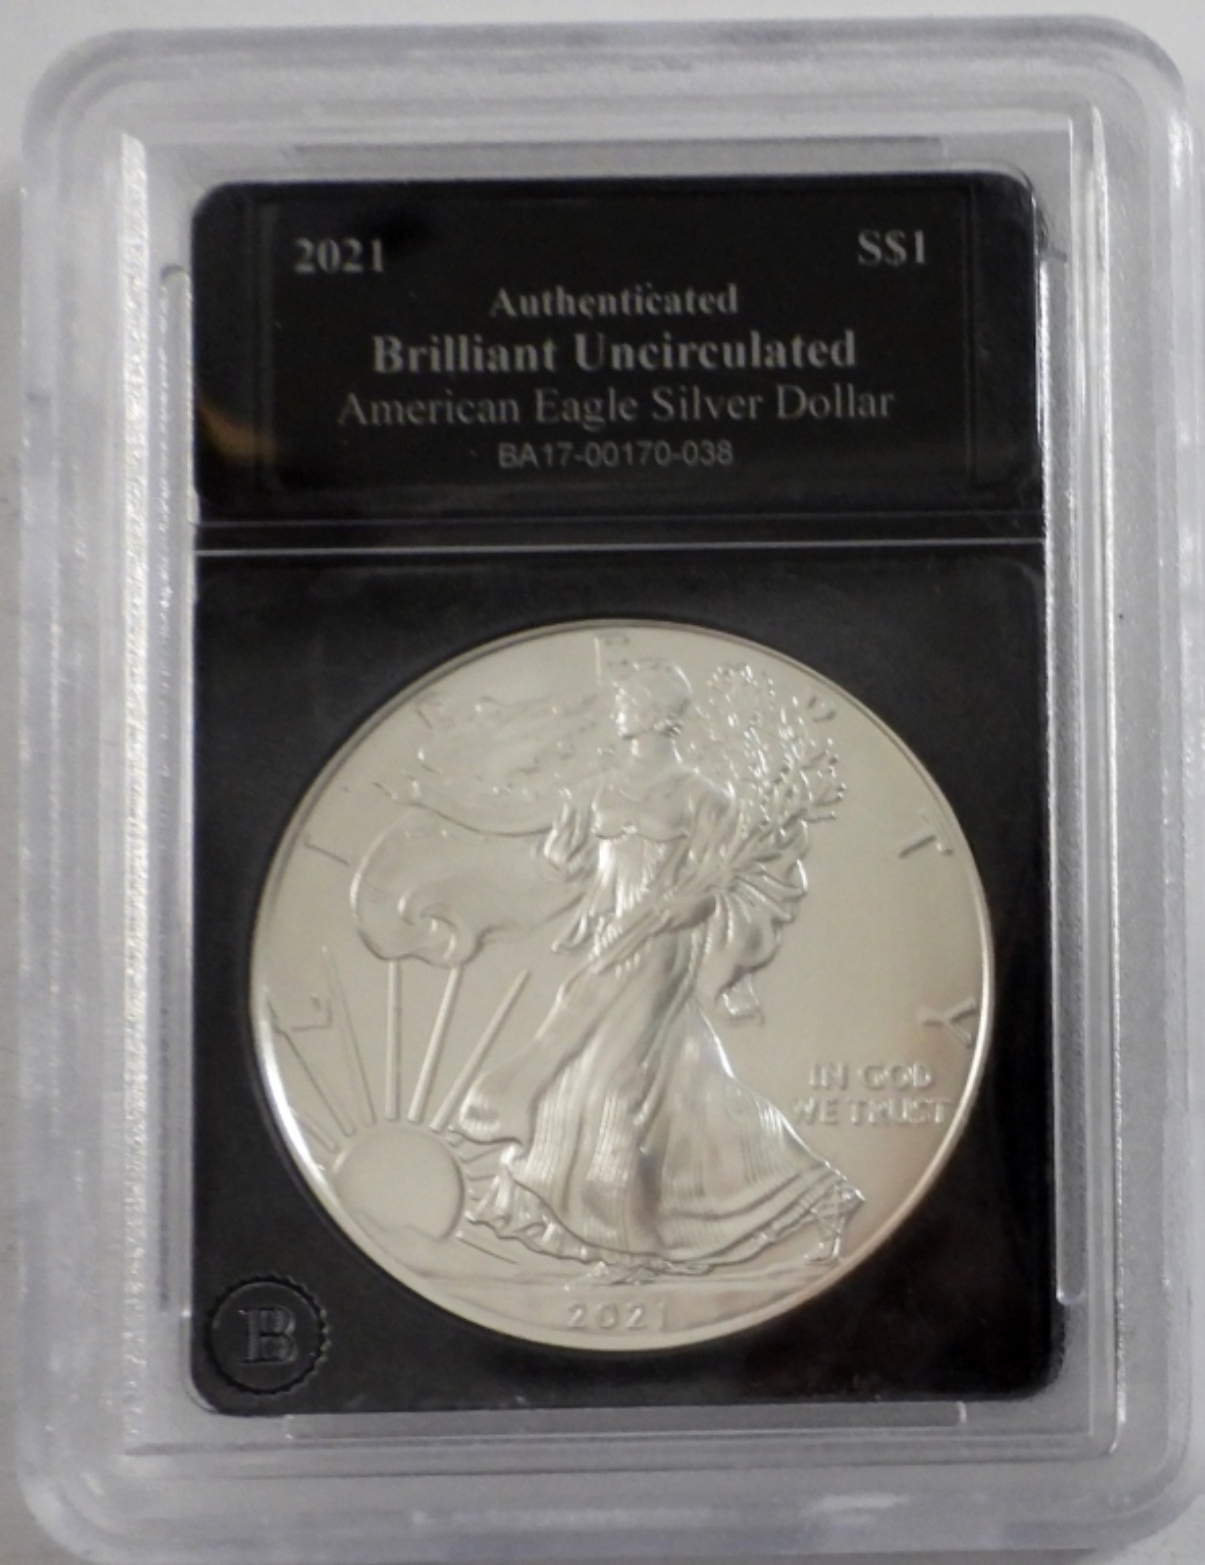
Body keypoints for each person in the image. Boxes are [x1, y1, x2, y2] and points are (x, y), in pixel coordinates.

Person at [449, 659, 862, 1277]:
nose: (617, 710)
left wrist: (696, 904)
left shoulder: (702, 797)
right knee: (680, 1083)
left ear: (653, 712)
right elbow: (579, 870)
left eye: (626, 700)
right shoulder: (602, 789)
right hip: (609, 940)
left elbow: (742, 882)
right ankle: (803, 1190)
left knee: (614, 1078)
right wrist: (560, 855)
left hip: (663, 948)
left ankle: (623, 1235)